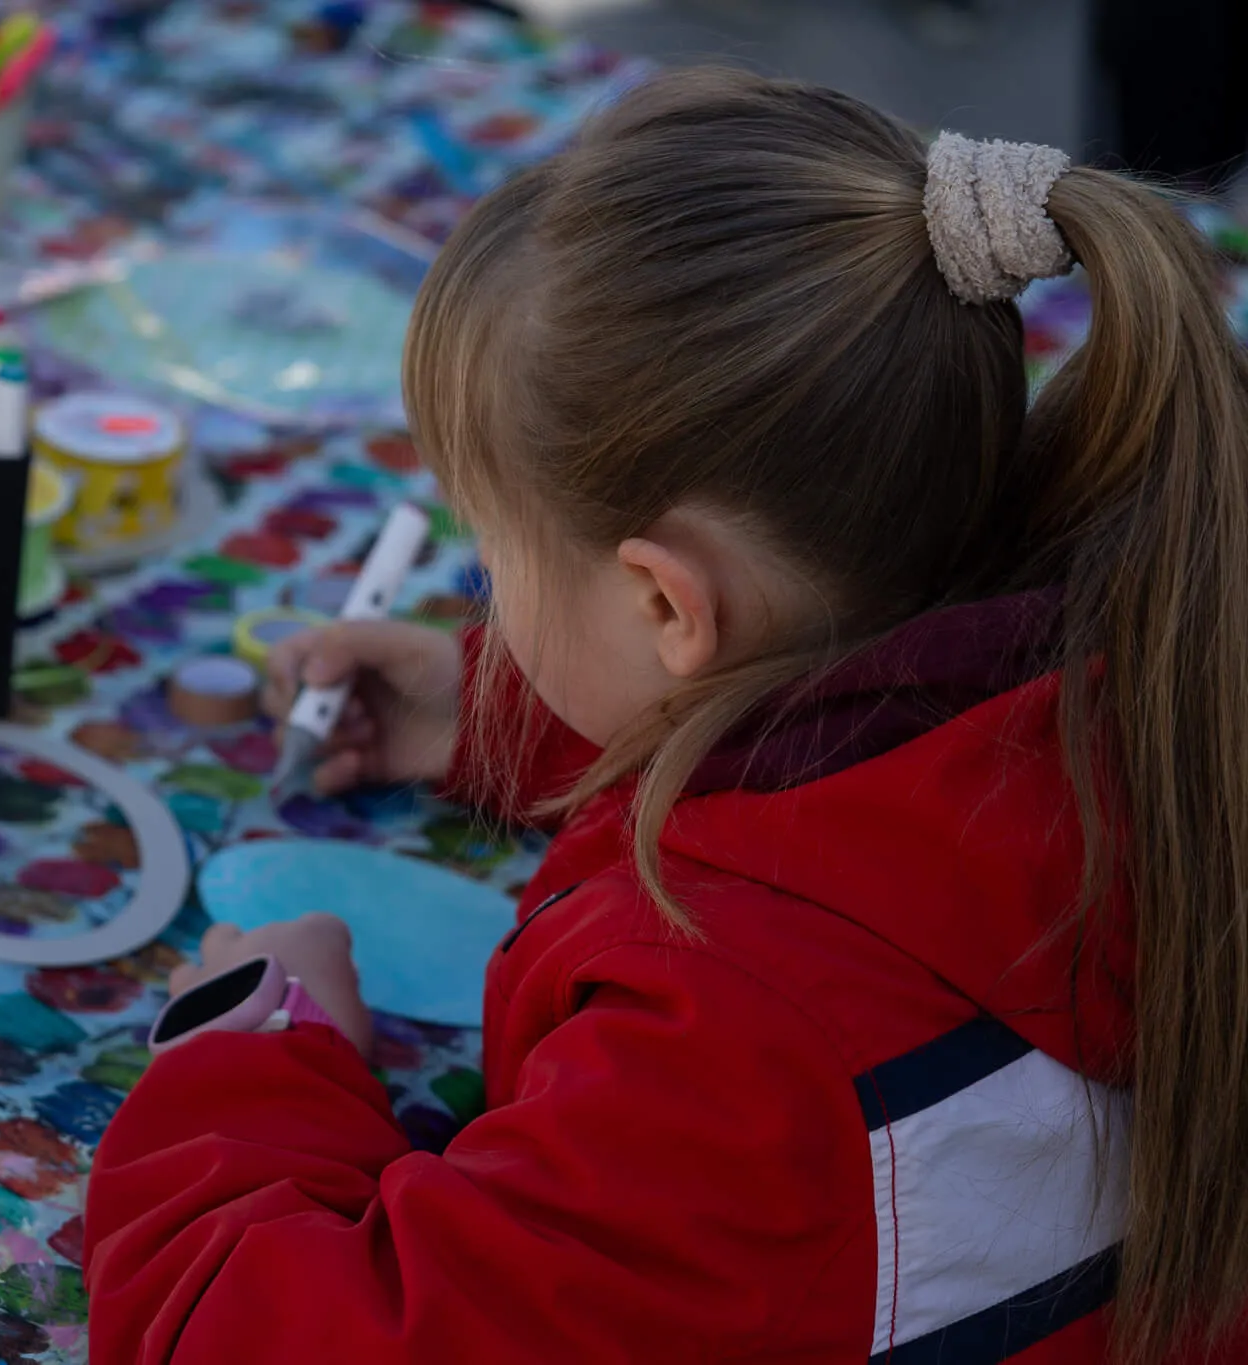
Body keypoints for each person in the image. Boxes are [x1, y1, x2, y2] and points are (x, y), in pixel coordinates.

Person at [84, 68, 1248, 1363]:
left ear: (662, 600)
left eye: (496, 554)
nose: (494, 594)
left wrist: (249, 1049)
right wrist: (507, 717)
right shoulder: (1168, 673)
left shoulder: (733, 1056)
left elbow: (257, 1339)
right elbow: (860, 782)